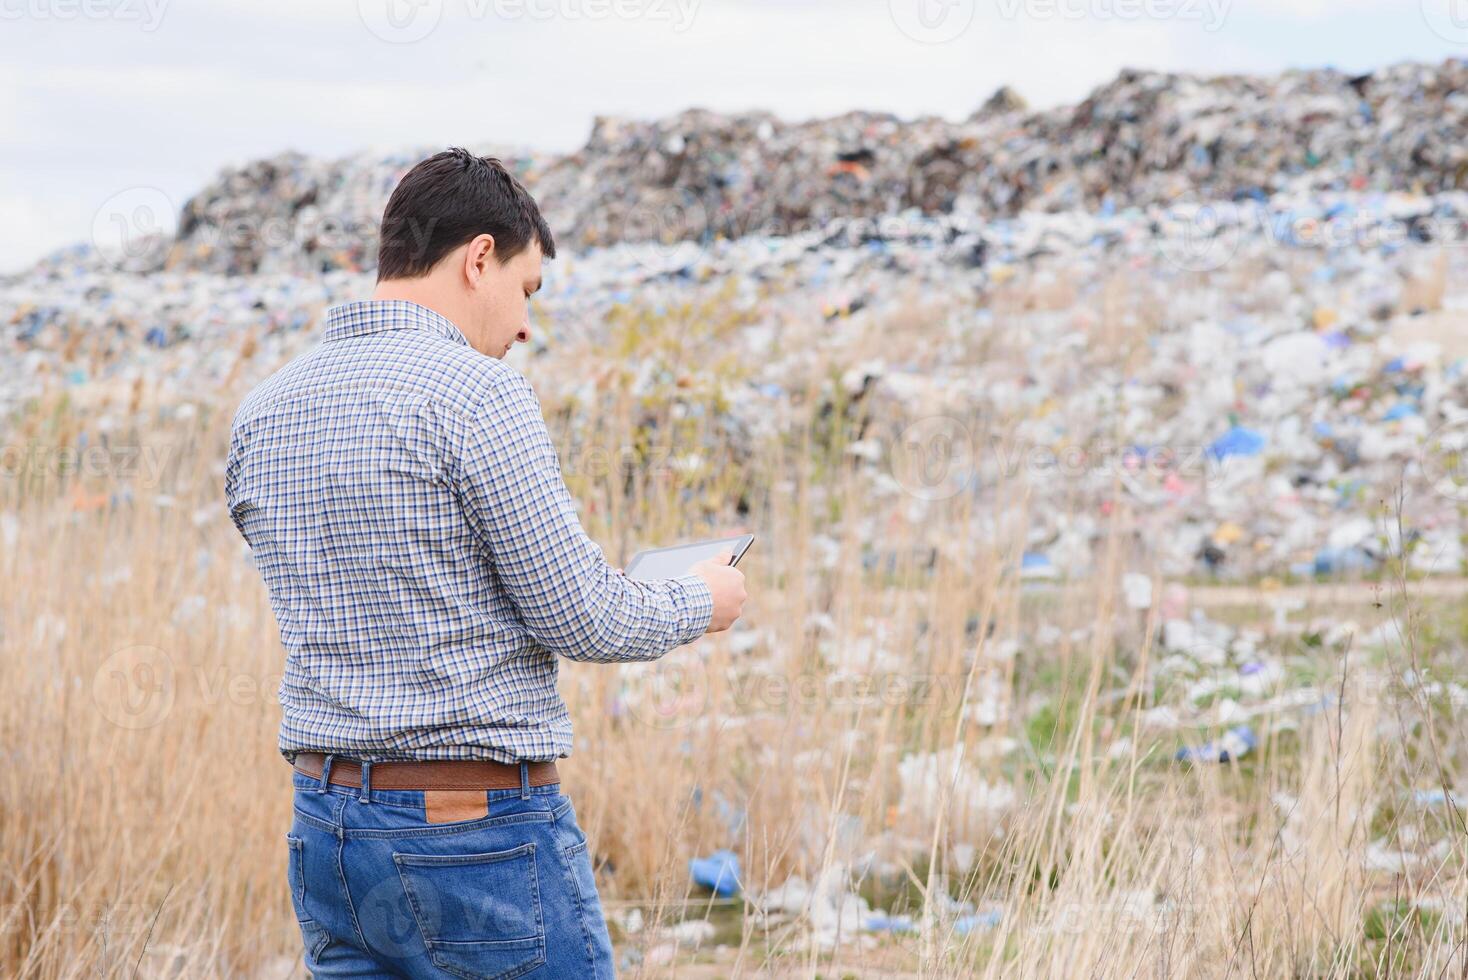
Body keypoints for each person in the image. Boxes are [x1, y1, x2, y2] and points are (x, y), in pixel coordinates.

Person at [225, 147, 748, 978]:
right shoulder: (478, 392)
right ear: (478, 258)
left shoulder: (263, 411)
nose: (525, 325)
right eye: (527, 288)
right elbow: (586, 616)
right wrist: (701, 598)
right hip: (473, 834)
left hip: (325, 831)